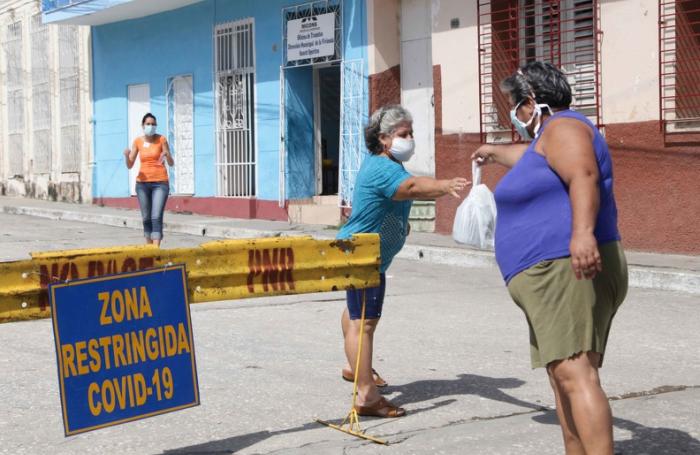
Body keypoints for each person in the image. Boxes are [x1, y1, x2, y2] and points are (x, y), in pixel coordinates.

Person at [472, 62, 628, 454]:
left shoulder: (564, 128)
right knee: (563, 376)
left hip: (564, 267)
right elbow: (532, 160)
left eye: (516, 106)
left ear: (532, 103)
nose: (515, 115)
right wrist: (493, 152)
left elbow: (583, 175)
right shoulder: (550, 136)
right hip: (549, 272)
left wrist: (582, 235)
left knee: (576, 375)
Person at [337, 104, 469, 418]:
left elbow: (393, 200)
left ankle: (355, 367)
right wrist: (443, 185)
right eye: (403, 134)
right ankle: (367, 395)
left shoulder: (386, 164)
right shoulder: (384, 168)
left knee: (358, 315)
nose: (410, 139)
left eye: (411, 133)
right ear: (384, 139)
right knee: (364, 323)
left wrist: (399, 225)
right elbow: (409, 188)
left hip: (365, 253)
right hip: (363, 255)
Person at [124, 113, 174, 247]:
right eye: (148, 124)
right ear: (143, 125)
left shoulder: (162, 139)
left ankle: (156, 249)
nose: (151, 126)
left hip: (160, 183)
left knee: (156, 216)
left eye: (153, 124)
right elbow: (130, 165)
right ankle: (149, 248)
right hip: (142, 184)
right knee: (146, 217)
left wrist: (167, 154)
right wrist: (126, 156)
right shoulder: (138, 142)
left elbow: (171, 163)